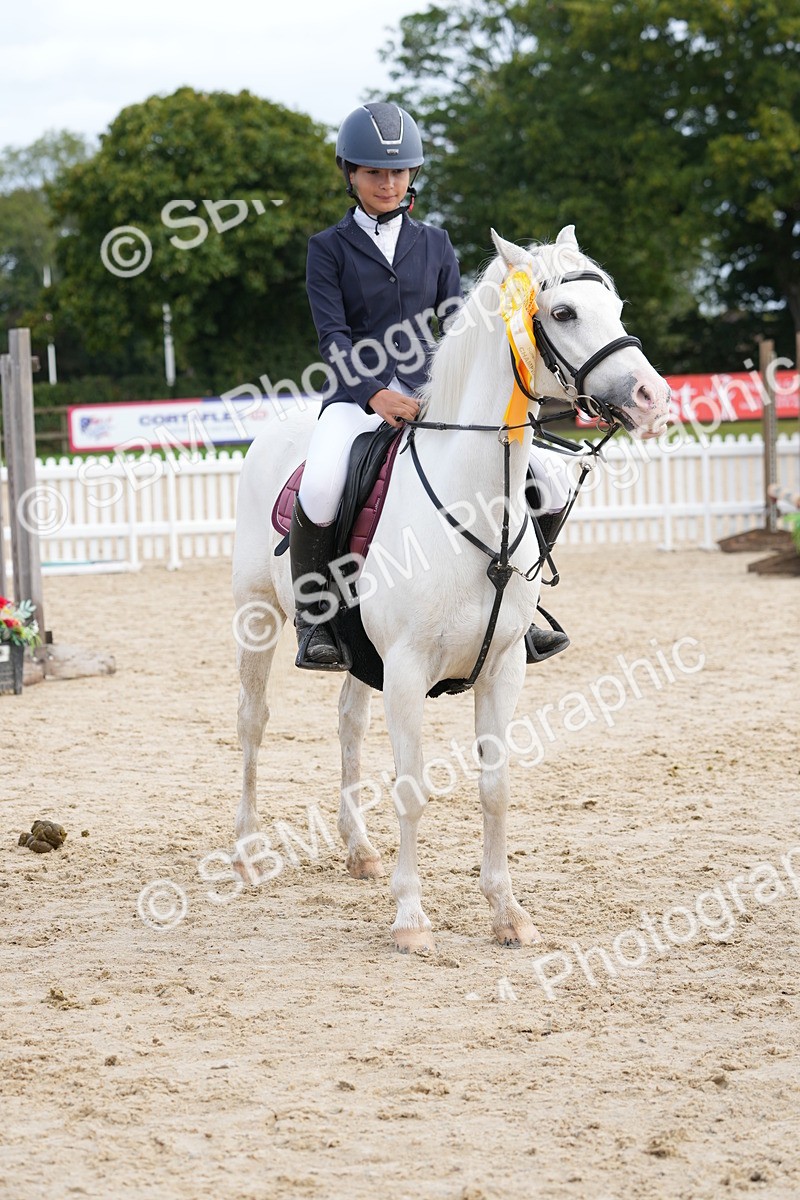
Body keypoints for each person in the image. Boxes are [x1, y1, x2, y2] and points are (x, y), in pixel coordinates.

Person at [290, 101, 569, 670]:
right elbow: (332, 338)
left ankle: (523, 604)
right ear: (350, 173)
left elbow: (455, 329)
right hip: (355, 398)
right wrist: (374, 393)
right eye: (374, 172)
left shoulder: (437, 244)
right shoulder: (327, 248)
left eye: (397, 171)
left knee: (550, 478)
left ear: (412, 175)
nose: (387, 182)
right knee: (319, 487)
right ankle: (315, 620)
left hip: (431, 397)